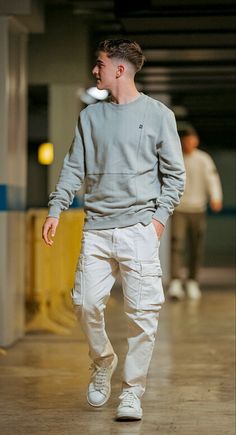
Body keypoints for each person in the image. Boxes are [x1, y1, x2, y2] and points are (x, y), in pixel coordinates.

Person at [42, 39, 185, 421]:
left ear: (119, 70)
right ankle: (103, 360)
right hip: (98, 229)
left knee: (143, 316)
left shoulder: (158, 115)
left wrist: (157, 220)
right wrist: (56, 207)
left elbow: (175, 175)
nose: (95, 70)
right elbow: (74, 166)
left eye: (100, 64)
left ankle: (132, 392)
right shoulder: (90, 117)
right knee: (85, 303)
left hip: (139, 228)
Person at [167, 130, 223, 301]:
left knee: (196, 245)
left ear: (196, 141)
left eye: (191, 140)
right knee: (177, 243)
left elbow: (212, 179)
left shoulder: (203, 159)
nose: (188, 144)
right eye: (185, 141)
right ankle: (176, 281)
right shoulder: (176, 158)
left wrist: (216, 197)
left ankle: (192, 280)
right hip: (180, 208)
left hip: (198, 209)